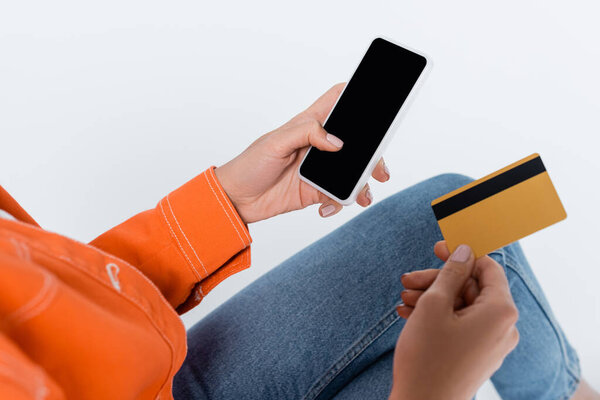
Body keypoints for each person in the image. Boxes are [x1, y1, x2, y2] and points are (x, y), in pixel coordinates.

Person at [0, 84, 596, 400]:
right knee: (455, 300)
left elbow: (45, 299)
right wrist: (429, 390)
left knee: (450, 222)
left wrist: (225, 203)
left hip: (145, 378)